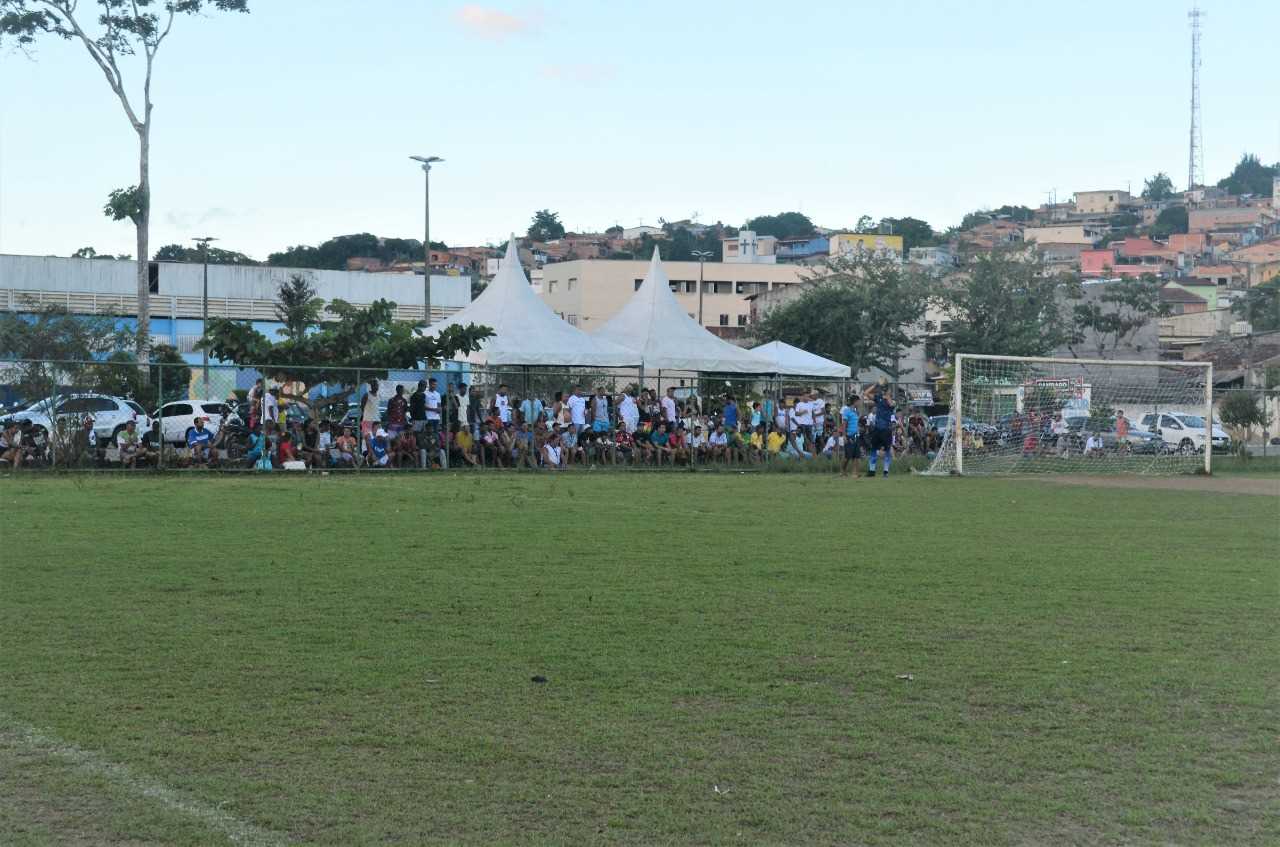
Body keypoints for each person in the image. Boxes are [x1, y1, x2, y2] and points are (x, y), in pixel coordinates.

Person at [866, 388, 894, 478]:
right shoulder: (879, 398)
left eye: (885, 390)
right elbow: (866, 393)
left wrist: (887, 395)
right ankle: (871, 471)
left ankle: (885, 472)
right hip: (877, 429)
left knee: (887, 450)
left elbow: (891, 404)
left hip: (886, 429)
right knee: (873, 449)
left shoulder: (891, 401)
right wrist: (876, 385)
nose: (884, 391)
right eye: (883, 390)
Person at [839, 396, 862, 478]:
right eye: (858, 402)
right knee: (847, 456)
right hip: (849, 436)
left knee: (856, 456)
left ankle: (855, 473)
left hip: (856, 435)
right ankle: (843, 471)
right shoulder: (846, 411)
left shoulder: (856, 412)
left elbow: (857, 421)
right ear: (854, 402)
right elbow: (844, 424)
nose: (859, 403)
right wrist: (844, 436)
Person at [424, 378, 442, 455]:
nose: (435, 386)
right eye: (433, 384)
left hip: (436, 418)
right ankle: (428, 449)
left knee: (435, 435)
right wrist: (433, 409)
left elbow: (439, 405)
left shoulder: (437, 394)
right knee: (429, 435)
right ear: (430, 384)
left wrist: (439, 409)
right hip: (428, 418)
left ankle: (434, 449)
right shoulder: (425, 393)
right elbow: (423, 406)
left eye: (436, 385)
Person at [360, 379, 380, 450]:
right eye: (374, 385)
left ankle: (375, 453)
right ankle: (366, 454)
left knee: (376, 439)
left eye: (377, 385)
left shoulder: (378, 395)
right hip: (367, 420)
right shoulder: (366, 395)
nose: (376, 387)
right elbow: (362, 407)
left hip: (376, 421)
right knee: (367, 439)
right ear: (371, 386)